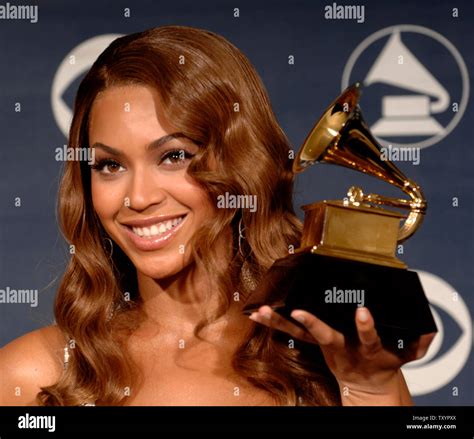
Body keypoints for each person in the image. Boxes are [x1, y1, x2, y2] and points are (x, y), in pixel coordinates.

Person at [0, 25, 434, 406]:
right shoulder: (33, 377)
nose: (138, 197)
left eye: (173, 156)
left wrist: (372, 388)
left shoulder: (325, 355)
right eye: (110, 166)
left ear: (240, 163)